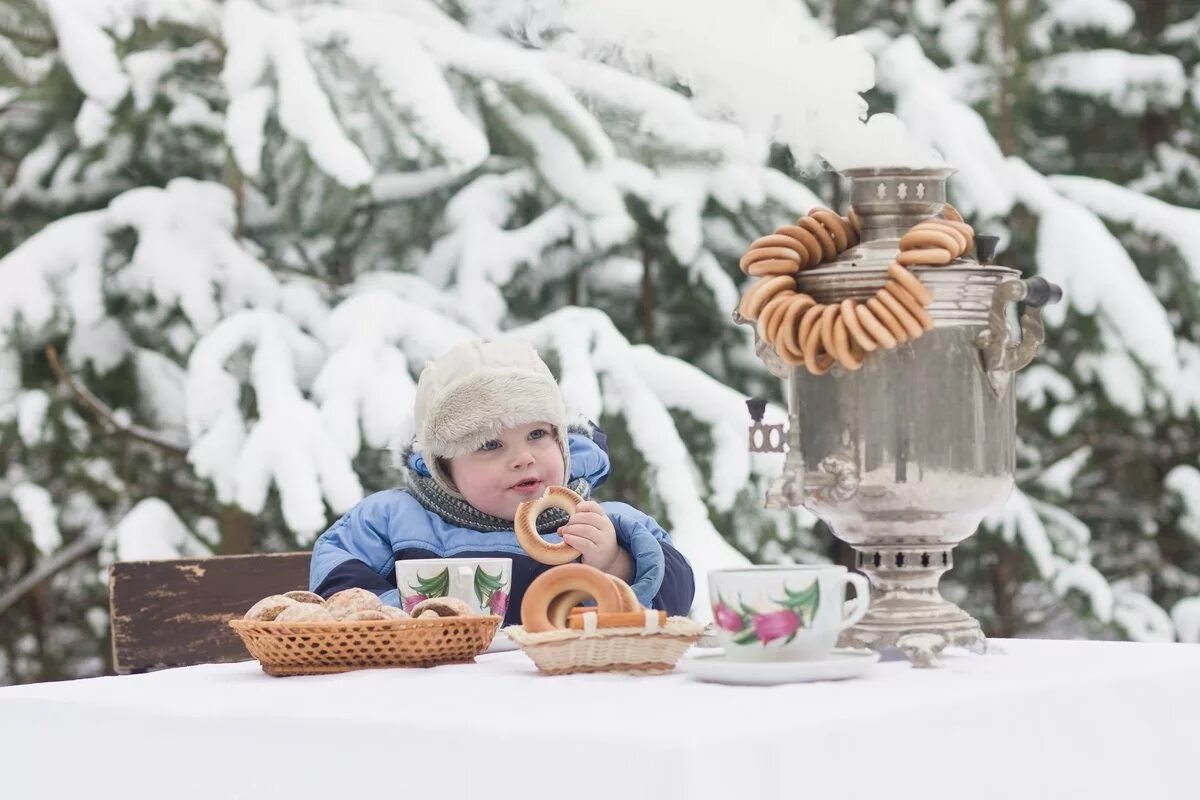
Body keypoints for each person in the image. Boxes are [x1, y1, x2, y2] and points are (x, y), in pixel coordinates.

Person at [309, 339, 695, 625]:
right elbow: (336, 577)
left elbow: (676, 598)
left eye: (538, 435)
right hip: (433, 698)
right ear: (444, 465)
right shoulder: (393, 518)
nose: (523, 458)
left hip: (565, 694)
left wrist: (615, 563)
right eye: (491, 444)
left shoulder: (608, 525)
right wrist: (408, 614)